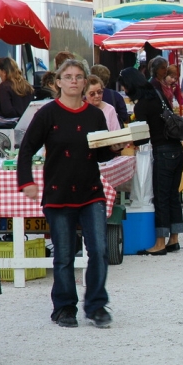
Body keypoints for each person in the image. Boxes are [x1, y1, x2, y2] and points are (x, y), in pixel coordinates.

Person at [17, 59, 126, 328]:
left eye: (79, 76)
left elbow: (99, 154)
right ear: (58, 82)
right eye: (68, 76)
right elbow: (26, 148)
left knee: (99, 250)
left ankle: (96, 306)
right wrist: (26, 182)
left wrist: (116, 146)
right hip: (58, 193)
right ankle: (64, 307)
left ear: (86, 82)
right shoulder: (47, 114)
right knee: (64, 254)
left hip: (91, 192)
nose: (74, 81)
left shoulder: (95, 115)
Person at [119, 67, 183, 256]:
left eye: (124, 86)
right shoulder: (158, 94)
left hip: (163, 152)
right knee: (172, 195)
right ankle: (174, 239)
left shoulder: (141, 105)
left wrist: (127, 140)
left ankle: (159, 243)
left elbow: (141, 137)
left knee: (161, 197)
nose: (124, 90)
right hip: (177, 150)